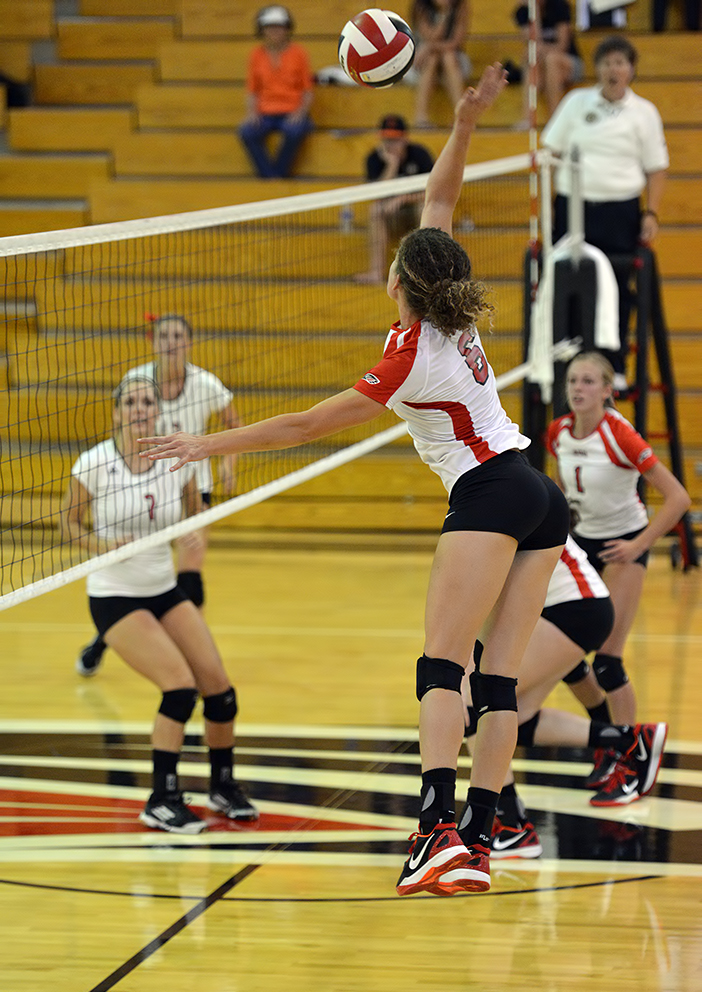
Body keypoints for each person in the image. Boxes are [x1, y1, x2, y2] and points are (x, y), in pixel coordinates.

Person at [139, 64, 571, 900]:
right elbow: (438, 202)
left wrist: (200, 444)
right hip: (536, 492)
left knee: (441, 669)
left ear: (400, 281)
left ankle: (433, 829)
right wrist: (468, 120)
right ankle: (477, 841)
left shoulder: (408, 356)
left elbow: (304, 426)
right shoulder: (452, 308)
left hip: (487, 494)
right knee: (498, 681)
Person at [62, 373, 258, 833]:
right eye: (130, 402)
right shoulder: (93, 463)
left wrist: (195, 531)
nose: (139, 408)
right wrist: (99, 546)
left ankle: (222, 785)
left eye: (146, 401)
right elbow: (68, 523)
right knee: (179, 688)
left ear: (157, 410)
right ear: (117, 412)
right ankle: (161, 797)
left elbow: (195, 511)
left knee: (220, 691)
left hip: (163, 588)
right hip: (115, 596)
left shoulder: (177, 460)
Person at [463, 535, 668, 860]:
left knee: (472, 701)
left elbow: (488, 583)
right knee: (516, 715)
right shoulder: (510, 491)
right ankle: (629, 739)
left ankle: (511, 825)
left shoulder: (498, 494)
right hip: (569, 608)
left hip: (569, 609)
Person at [546, 352, 690, 782]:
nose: (578, 388)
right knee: (567, 656)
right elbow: (561, 486)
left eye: (589, 381)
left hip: (623, 544)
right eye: (573, 380)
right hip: (580, 543)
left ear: (608, 391)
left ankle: (630, 756)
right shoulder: (558, 433)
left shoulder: (620, 435)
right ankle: (608, 736)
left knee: (607, 661)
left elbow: (678, 497)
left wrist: (639, 545)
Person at [76, 314, 238, 677]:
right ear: (153, 341)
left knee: (189, 575)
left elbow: (233, 422)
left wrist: (229, 463)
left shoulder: (205, 384)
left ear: (189, 342)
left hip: (190, 486)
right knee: (133, 577)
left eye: (178, 335)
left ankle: (191, 652)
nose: (171, 342)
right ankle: (106, 638)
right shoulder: (138, 382)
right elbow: (119, 428)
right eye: (164, 335)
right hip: (139, 483)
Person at [541, 35, 669, 384]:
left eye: (620, 62)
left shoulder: (644, 113)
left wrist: (652, 214)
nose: (613, 69)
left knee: (615, 288)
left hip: (620, 214)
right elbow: (548, 153)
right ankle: (565, 368)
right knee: (567, 284)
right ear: (596, 68)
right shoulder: (576, 102)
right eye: (606, 62)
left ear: (630, 70)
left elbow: (656, 169)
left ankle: (613, 367)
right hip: (573, 210)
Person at [355, 115, 434, 285]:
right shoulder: (374, 159)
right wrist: (392, 165)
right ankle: (376, 271)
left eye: (395, 140)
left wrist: (404, 198)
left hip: (414, 210)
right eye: (387, 140)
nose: (390, 145)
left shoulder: (420, 155)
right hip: (391, 216)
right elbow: (376, 196)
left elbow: (433, 192)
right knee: (375, 210)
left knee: (424, 208)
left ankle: (427, 271)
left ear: (405, 138)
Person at [238, 5, 314, 179]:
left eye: (278, 27)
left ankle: (275, 177)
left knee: (294, 130)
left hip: (292, 109)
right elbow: (252, 91)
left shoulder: (299, 53)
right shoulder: (256, 55)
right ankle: (272, 177)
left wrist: (300, 113)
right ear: (262, 30)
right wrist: (252, 113)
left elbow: (307, 91)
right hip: (265, 112)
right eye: (269, 27)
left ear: (287, 29)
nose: (274, 32)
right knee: (247, 131)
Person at [513, 0, 584, 127]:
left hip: (569, 63)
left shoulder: (559, 6)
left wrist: (540, 50)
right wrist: (535, 14)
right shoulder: (523, 12)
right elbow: (534, 44)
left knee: (551, 59)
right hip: (544, 67)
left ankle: (555, 119)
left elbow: (562, 46)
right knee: (532, 61)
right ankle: (528, 118)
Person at [409, 0, 471, 127]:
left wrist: (429, 47)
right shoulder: (420, 6)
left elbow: (455, 43)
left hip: (454, 60)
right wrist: (443, 15)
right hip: (423, 62)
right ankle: (421, 116)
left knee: (448, 56)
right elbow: (431, 36)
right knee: (432, 58)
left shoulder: (461, 5)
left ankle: (461, 116)